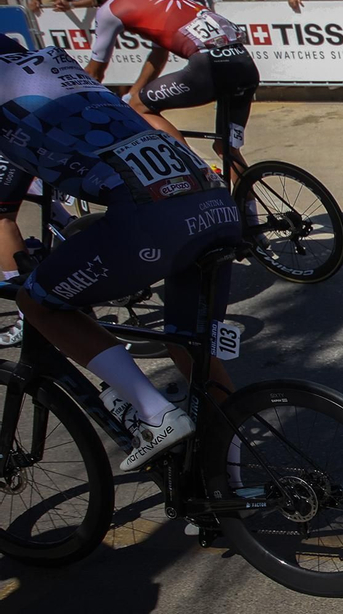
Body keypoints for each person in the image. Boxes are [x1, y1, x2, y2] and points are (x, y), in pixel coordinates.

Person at [0, 37, 241, 472]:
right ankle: (233, 481)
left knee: (36, 302)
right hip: (215, 203)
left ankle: (155, 413)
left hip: (153, 218)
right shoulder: (53, 65)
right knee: (190, 349)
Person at [69, 0, 261, 177]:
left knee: (139, 109)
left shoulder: (109, 11)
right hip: (243, 63)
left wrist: (67, 100)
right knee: (226, 148)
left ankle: (199, 173)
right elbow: (158, 55)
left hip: (209, 66)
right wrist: (134, 92)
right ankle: (246, 201)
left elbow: (94, 73)